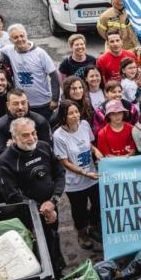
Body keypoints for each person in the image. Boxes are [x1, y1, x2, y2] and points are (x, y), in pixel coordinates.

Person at [0, 117, 67, 276]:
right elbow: (12, 196)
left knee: (54, 238)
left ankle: (58, 270)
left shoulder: (44, 147)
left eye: (33, 133)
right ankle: (45, 277)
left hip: (51, 208)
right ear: (14, 138)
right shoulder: (4, 162)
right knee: (37, 249)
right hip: (29, 217)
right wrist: (42, 210)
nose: (32, 138)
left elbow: (60, 174)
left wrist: (53, 201)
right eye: (25, 135)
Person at [52, 100, 102, 249]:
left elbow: (90, 144)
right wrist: (84, 173)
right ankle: (82, 234)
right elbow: (65, 162)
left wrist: (95, 151)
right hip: (75, 182)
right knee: (79, 210)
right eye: (71, 113)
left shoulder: (85, 125)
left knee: (97, 204)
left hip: (93, 176)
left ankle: (93, 227)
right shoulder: (59, 136)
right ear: (63, 116)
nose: (75, 116)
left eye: (76, 112)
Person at [1, 24, 59, 119]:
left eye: (22, 36)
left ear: (26, 35)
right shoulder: (8, 50)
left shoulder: (40, 53)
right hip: (22, 105)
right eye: (15, 37)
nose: (20, 39)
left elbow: (54, 75)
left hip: (43, 104)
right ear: (10, 40)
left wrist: (55, 99)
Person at [0, 89, 51, 160]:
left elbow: (46, 148)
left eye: (23, 103)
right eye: (16, 104)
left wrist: (15, 145)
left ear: (27, 103)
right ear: (8, 105)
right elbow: (1, 154)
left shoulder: (40, 121)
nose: (20, 107)